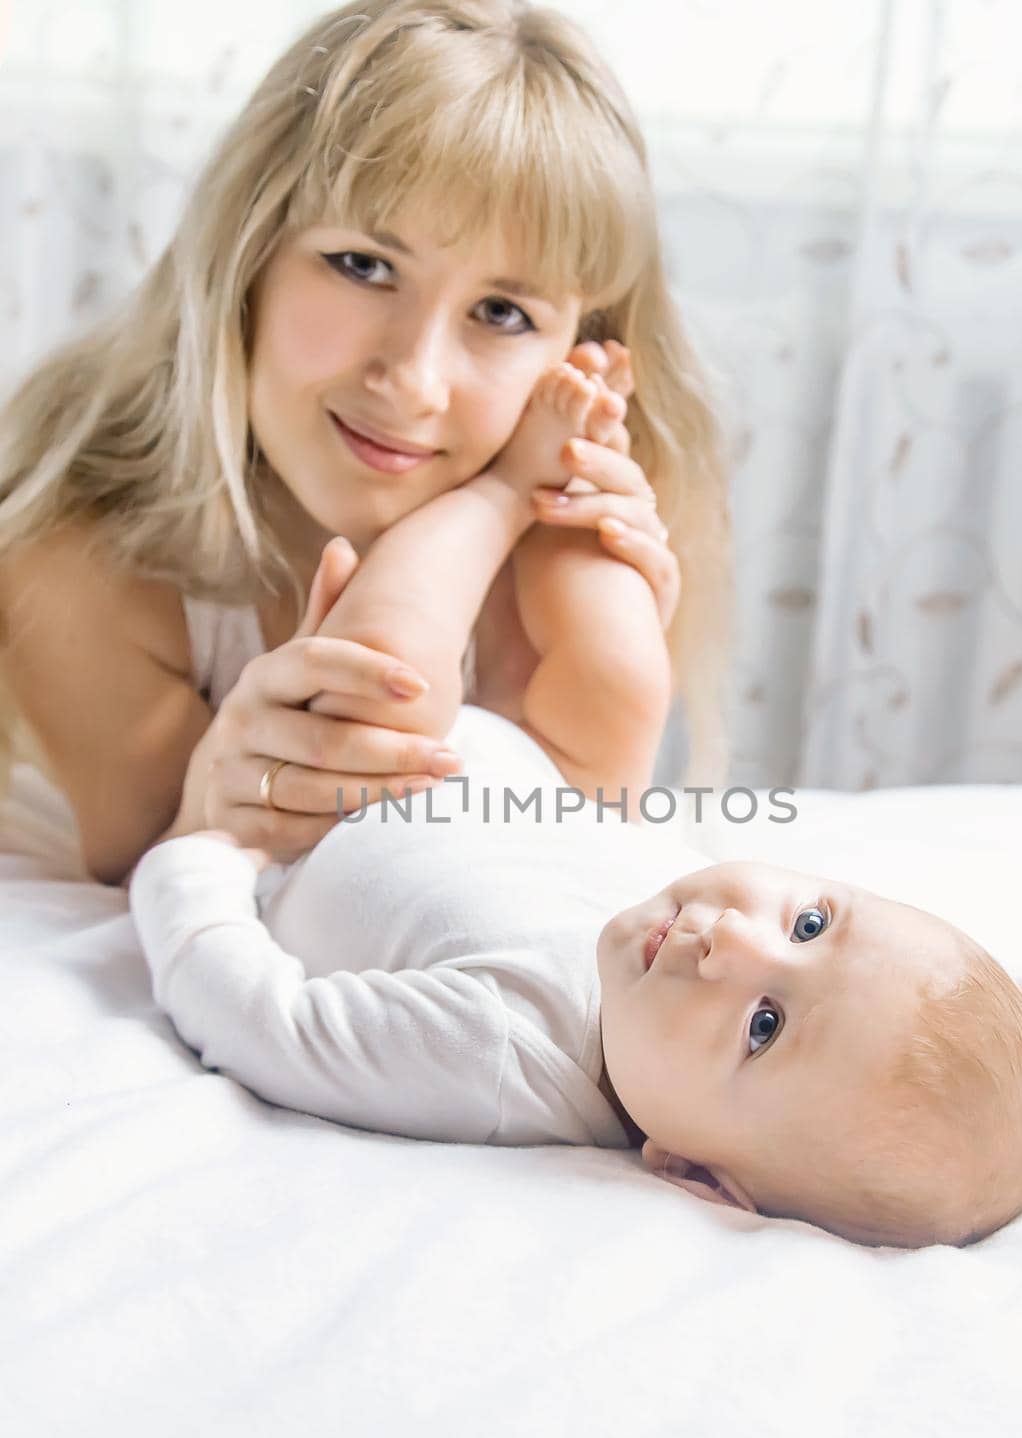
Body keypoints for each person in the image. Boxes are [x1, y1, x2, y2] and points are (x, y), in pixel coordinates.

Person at [0, 0, 731, 886]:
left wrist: (560, 669)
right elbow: (147, 880)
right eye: (363, 265)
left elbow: (556, 874)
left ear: (580, 353)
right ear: (248, 258)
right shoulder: (82, 557)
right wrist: (213, 805)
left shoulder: (554, 536)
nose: (415, 379)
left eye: (502, 313)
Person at [126, 698, 1022, 1251]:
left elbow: (263, 1016)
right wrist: (1018, 1028)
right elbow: (910, 1037)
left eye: (763, 1026)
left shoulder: (496, 1050)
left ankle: (492, 494)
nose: (737, 942)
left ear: (694, 1174)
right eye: (809, 919)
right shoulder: (671, 933)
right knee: (609, 612)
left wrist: (198, 855)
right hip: (483, 734)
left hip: (319, 777)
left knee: (421, 577)